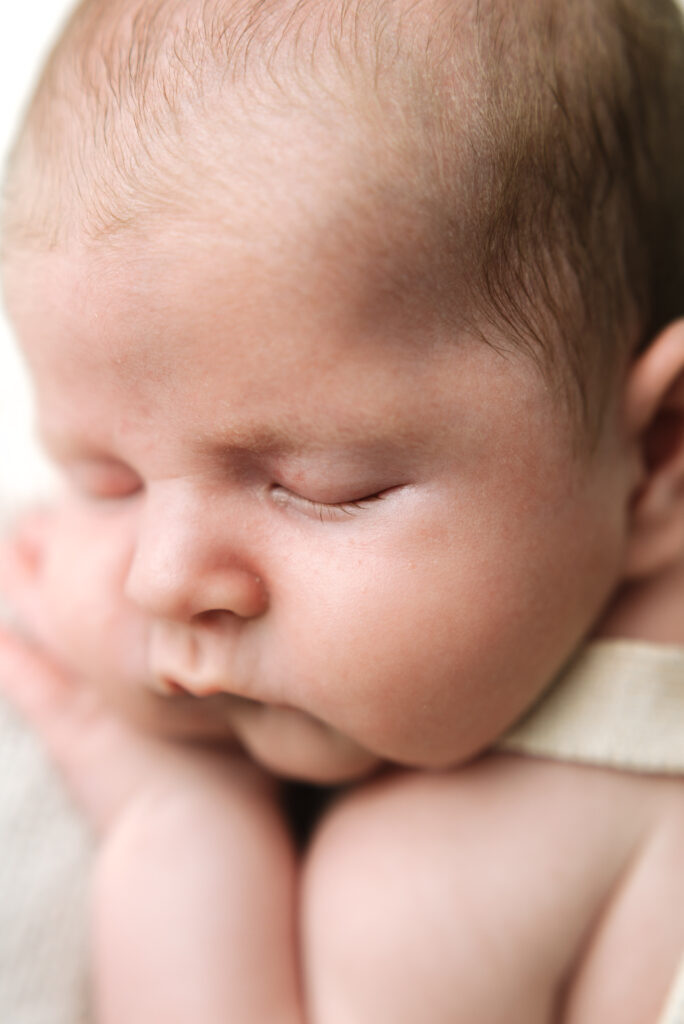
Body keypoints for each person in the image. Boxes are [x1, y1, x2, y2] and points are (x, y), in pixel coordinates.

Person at [0, 0, 683, 1020]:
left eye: (322, 488)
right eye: (105, 480)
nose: (163, 579)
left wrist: (179, 822)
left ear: (659, 450)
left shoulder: (424, 891)